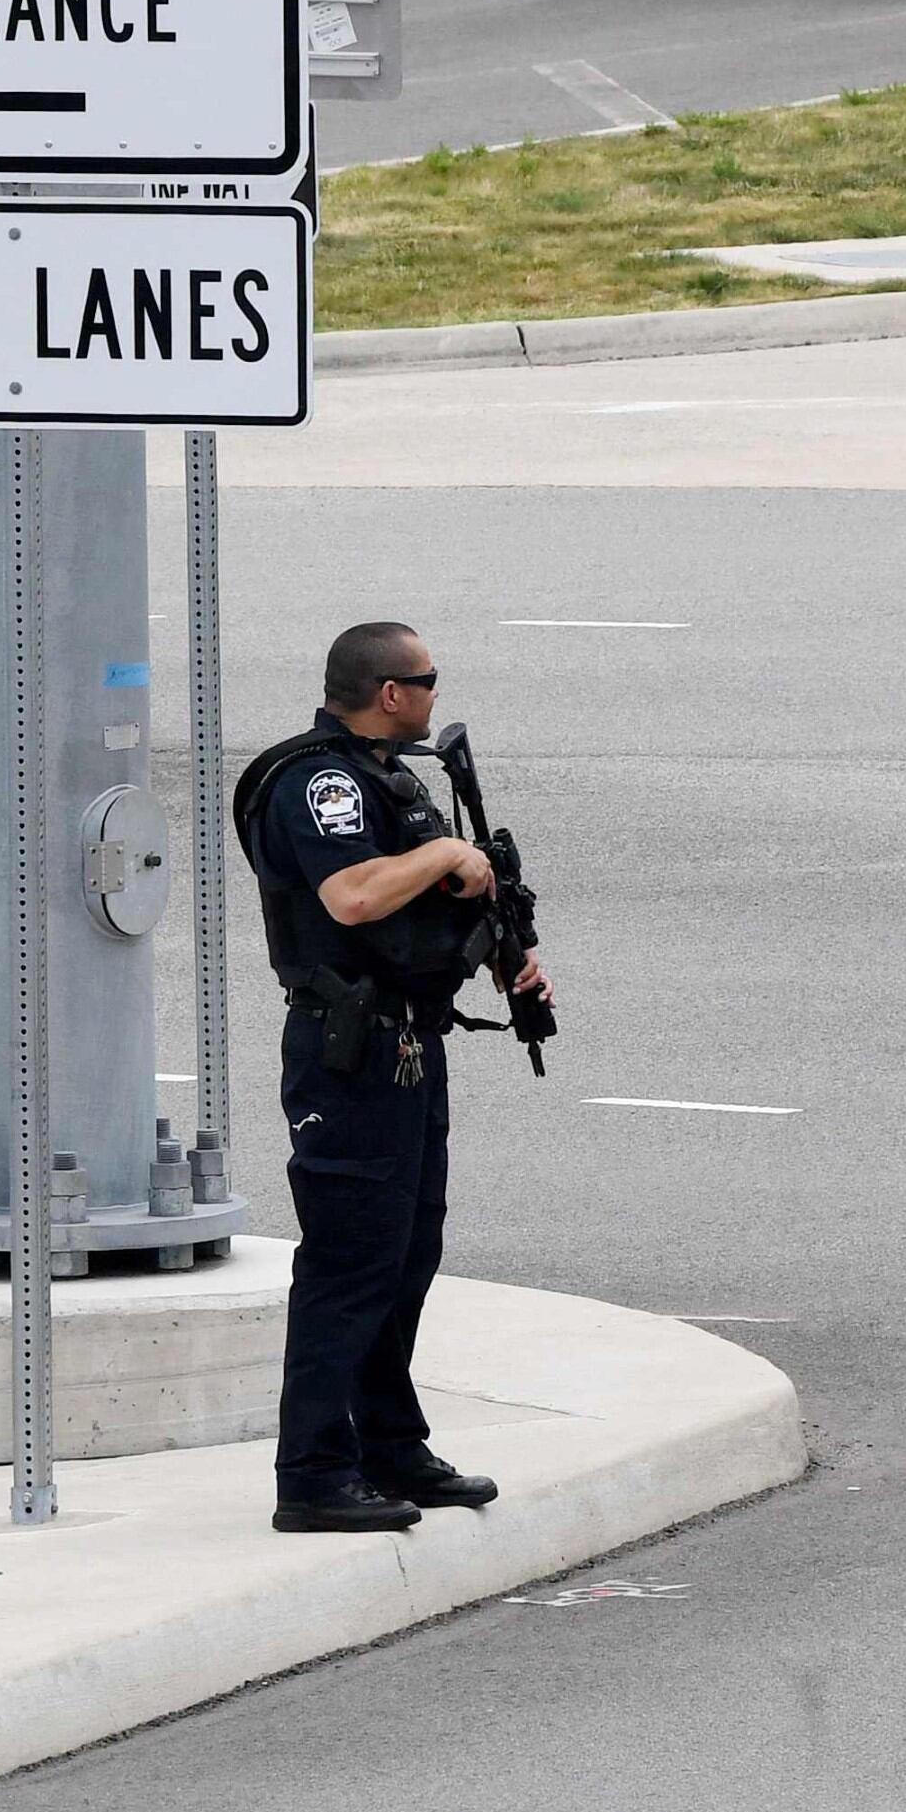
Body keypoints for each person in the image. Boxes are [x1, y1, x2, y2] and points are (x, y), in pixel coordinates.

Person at [229, 619, 554, 1536]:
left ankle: (390, 1442)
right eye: (427, 680)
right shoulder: (319, 781)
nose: (433, 696)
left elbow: (428, 911)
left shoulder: (394, 778)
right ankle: (315, 1472)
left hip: (412, 1042)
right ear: (388, 692)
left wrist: (506, 955)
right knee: (348, 1259)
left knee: (407, 1251)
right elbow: (354, 897)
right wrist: (451, 854)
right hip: (351, 1051)